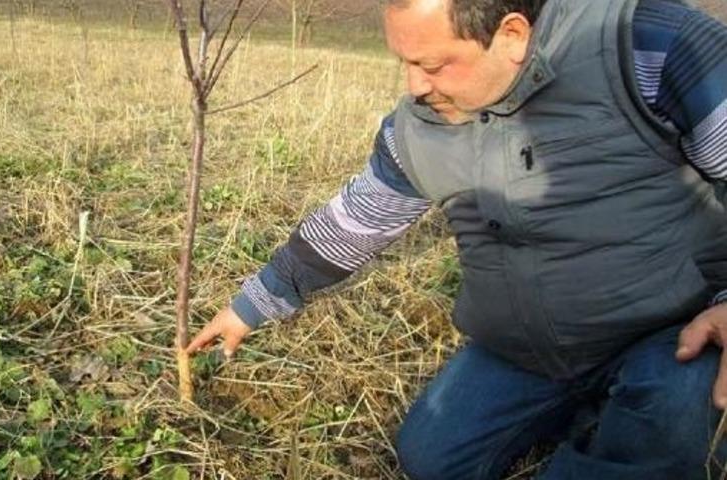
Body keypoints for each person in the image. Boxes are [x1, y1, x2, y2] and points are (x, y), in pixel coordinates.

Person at [188, 0, 727, 478]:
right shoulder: (417, 128)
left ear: (512, 35)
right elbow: (358, 220)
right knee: (432, 457)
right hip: (531, 346)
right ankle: (597, 407)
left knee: (674, 438)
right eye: (404, 61)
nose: (414, 87)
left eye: (431, 64)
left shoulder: (649, 45)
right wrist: (253, 305)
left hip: (673, 325)